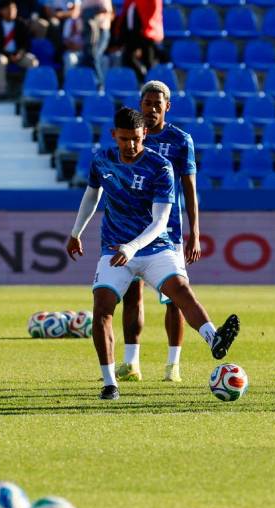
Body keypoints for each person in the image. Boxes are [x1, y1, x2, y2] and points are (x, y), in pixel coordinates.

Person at [66, 107, 239, 400]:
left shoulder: (160, 167)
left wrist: (132, 247)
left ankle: (213, 338)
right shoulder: (102, 160)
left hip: (154, 246)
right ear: (114, 136)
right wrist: (75, 232)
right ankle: (110, 383)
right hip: (114, 248)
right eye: (124, 139)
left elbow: (160, 221)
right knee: (102, 307)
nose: (131, 145)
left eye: (135, 138)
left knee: (180, 290)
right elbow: (92, 194)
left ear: (144, 133)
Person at [116, 81, 199, 383]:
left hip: (169, 231)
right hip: (130, 229)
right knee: (132, 296)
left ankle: (172, 365)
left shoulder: (180, 140)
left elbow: (189, 190)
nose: (151, 109)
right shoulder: (133, 136)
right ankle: (131, 363)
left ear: (167, 107)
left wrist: (195, 233)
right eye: (146, 103)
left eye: (157, 104)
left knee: (174, 297)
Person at [0, 0, 39, 99]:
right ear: (1, 11)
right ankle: (1, 92)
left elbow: (26, 44)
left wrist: (20, 53)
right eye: (8, 9)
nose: (11, 11)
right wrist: (8, 55)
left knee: (32, 61)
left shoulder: (21, 24)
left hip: (18, 55)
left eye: (14, 9)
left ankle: (29, 91)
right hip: (3, 54)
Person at [118, 0, 163, 81]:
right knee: (128, 58)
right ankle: (143, 79)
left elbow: (153, 10)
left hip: (148, 33)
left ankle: (151, 84)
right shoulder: (131, 3)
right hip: (133, 35)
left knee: (149, 61)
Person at [79, 0, 112, 85]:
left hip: (102, 31)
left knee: (95, 55)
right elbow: (80, 13)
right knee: (86, 57)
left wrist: (92, 15)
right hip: (88, 32)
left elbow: (107, 11)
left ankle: (100, 85)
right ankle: (87, 84)